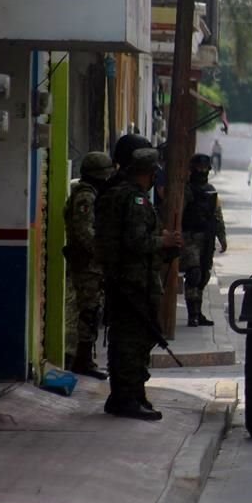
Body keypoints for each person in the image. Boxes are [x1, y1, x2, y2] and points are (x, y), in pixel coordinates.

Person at [95, 135, 183, 421]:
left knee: (136, 338)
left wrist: (162, 243)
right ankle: (125, 398)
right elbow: (135, 242)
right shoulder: (132, 197)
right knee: (130, 342)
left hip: (131, 280)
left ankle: (132, 394)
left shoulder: (120, 192)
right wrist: (164, 241)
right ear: (147, 172)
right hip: (131, 282)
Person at [63, 151, 115, 379]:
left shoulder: (90, 193)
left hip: (91, 265)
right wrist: (102, 254)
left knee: (92, 310)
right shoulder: (86, 196)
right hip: (87, 265)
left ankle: (83, 358)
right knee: (88, 311)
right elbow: (84, 232)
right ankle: (80, 359)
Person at [180, 154, 227, 327]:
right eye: (199, 168)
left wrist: (222, 238)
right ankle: (192, 314)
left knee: (204, 276)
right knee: (194, 274)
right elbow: (178, 213)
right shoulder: (186, 190)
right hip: (190, 237)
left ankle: (198, 313)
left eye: (204, 168)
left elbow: (217, 215)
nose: (202, 171)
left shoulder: (210, 190)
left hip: (206, 238)